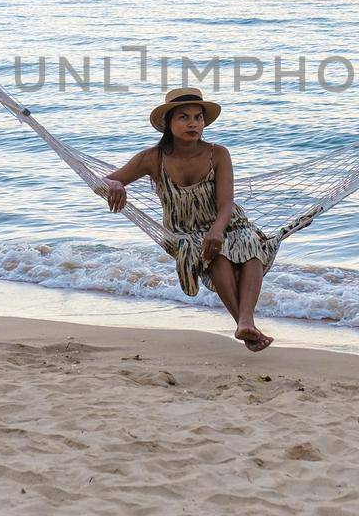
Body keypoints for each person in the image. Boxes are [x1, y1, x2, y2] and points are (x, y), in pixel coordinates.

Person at [97, 87, 277, 352]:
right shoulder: (152, 158)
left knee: (251, 243)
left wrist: (217, 229)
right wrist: (115, 186)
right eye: (183, 117)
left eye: (198, 117)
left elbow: (226, 203)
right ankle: (244, 324)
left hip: (227, 221)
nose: (193, 123)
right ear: (168, 124)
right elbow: (105, 181)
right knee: (213, 253)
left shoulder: (218, 154)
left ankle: (245, 321)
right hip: (183, 231)